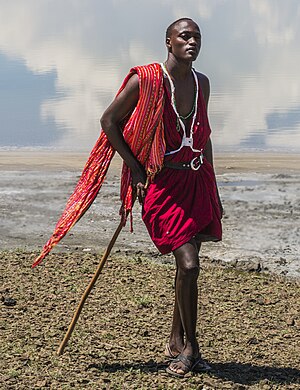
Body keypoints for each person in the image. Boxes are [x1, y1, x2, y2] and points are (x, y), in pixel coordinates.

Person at [100, 18, 223, 378]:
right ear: (168, 42)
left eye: (197, 37)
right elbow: (108, 121)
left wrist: (212, 187)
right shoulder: (148, 80)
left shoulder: (202, 83)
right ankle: (193, 350)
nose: (192, 42)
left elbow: (204, 132)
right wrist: (137, 171)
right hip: (162, 186)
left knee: (186, 268)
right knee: (189, 265)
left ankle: (175, 342)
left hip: (197, 181)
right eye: (184, 36)